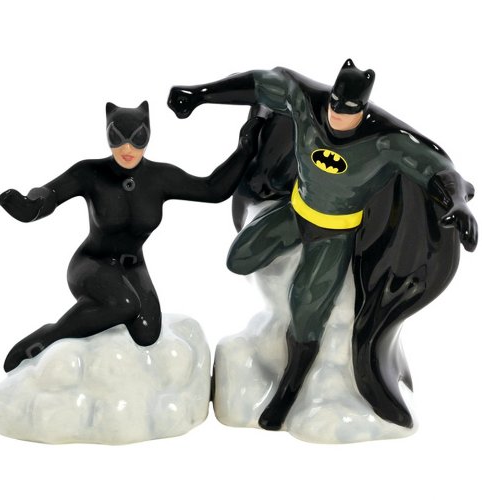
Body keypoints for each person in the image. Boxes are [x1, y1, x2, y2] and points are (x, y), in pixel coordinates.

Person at [168, 59, 478, 430]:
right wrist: (201, 94)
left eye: (347, 112)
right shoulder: (307, 103)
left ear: (362, 110)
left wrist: (457, 204)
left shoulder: (385, 141)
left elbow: (440, 170)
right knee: (239, 258)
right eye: (334, 106)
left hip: (334, 235)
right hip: (295, 212)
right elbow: (261, 83)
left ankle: (289, 389)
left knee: (307, 310)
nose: (336, 116)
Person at [0, 100, 263, 372]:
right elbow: (51, 193)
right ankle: (49, 337)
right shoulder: (90, 173)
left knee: (147, 332)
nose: (127, 149)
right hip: (92, 263)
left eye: (137, 139)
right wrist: (31, 206)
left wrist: (244, 151)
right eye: (117, 138)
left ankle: (97, 328)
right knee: (124, 304)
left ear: (148, 135)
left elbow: (211, 190)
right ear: (107, 136)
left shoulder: (159, 177)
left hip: (133, 266)